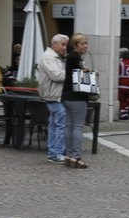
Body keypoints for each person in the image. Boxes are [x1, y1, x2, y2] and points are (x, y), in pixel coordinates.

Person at [60, 33, 97, 168]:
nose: (86, 46)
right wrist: (91, 72)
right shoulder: (76, 57)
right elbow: (81, 74)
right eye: (83, 44)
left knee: (68, 127)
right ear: (76, 45)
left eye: (86, 43)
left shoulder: (70, 57)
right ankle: (76, 156)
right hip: (77, 97)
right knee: (78, 127)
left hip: (66, 96)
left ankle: (69, 155)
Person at [36, 34, 70, 165]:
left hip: (56, 95)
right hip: (53, 95)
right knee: (60, 124)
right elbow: (57, 76)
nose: (65, 47)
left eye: (66, 45)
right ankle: (56, 153)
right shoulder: (48, 57)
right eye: (63, 44)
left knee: (55, 124)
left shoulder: (57, 57)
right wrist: (73, 73)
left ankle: (53, 152)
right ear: (54, 44)